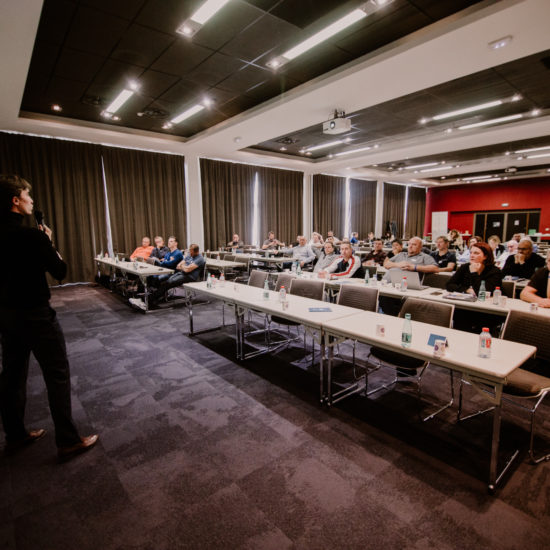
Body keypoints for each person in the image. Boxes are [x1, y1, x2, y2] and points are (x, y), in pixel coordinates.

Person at [0, 174, 98, 459]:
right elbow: (60, 270)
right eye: (28, 197)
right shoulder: (30, 235)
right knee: (57, 374)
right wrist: (48, 242)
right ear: (15, 201)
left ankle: (15, 434)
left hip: (6, 315)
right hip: (35, 315)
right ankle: (68, 440)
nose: (32, 201)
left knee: (12, 375)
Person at [446, 241, 503, 333]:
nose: (472, 255)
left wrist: (474, 273)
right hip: (466, 308)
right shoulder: (465, 267)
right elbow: (449, 285)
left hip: (486, 311)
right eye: (471, 252)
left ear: (486, 256)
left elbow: (482, 293)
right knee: (458, 316)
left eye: (476, 253)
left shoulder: (494, 272)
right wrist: (467, 290)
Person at [131, 244, 205, 310]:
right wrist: (184, 266)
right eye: (190, 251)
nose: (190, 253)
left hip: (190, 277)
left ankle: (147, 301)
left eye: (191, 252)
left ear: (196, 251)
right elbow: (178, 266)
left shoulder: (200, 259)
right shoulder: (189, 255)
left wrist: (184, 266)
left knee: (168, 283)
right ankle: (150, 300)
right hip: (182, 273)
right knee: (165, 283)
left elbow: (188, 270)